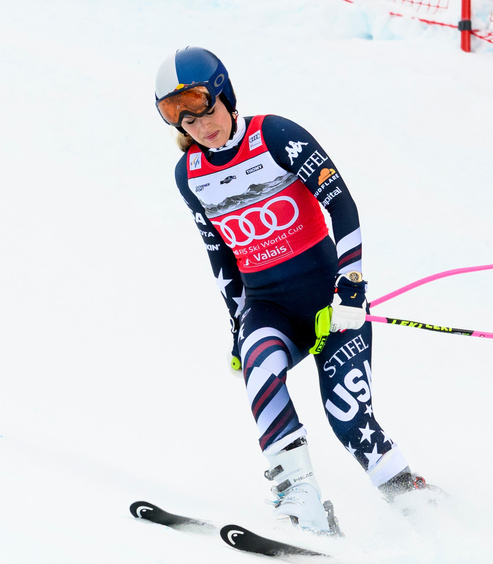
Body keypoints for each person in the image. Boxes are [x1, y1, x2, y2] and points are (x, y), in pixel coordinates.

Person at [155, 46, 433, 534]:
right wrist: (238, 325)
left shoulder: (275, 135)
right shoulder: (190, 176)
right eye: (184, 120)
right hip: (269, 308)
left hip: (330, 300)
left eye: (204, 108)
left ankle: (418, 509)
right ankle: (301, 502)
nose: (200, 126)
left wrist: (350, 290)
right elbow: (220, 257)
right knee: (260, 366)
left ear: (226, 95)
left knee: (347, 415)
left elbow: (341, 207)